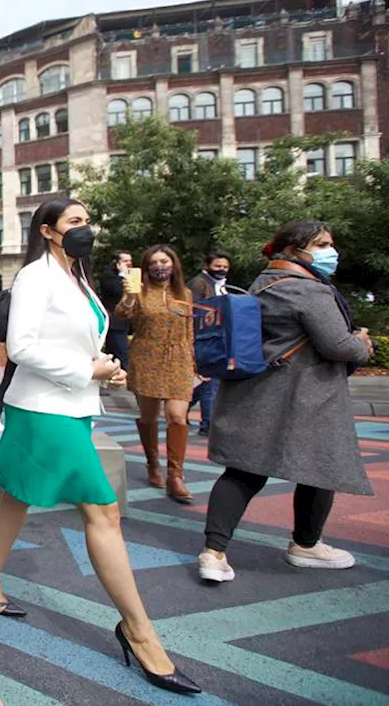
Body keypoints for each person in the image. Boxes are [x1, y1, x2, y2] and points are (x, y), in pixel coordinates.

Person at [0, 198, 199, 696]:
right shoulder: (36, 276)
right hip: (43, 408)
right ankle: (139, 633)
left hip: (71, 406)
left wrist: (102, 364)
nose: (86, 229)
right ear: (49, 231)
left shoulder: (78, 279)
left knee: (19, 491)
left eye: (88, 221)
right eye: (75, 222)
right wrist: (86, 370)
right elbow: (23, 347)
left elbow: (78, 339)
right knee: (104, 510)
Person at [199, 222, 375, 583]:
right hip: (305, 398)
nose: (330, 251)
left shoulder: (262, 284)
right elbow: (337, 346)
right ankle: (306, 545)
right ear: (294, 251)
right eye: (322, 244)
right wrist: (363, 345)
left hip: (254, 393)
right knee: (321, 467)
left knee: (243, 471)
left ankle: (213, 553)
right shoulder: (310, 292)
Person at [115, 245, 197, 503]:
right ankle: (153, 463)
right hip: (147, 356)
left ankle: (176, 477)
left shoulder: (184, 293)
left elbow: (189, 330)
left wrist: (194, 363)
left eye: (165, 261)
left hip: (179, 358)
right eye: (154, 262)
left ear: (174, 264)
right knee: (149, 418)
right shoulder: (139, 291)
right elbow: (121, 314)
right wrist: (129, 295)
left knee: (177, 417)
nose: (160, 266)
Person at [187, 251, 231, 436]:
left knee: (206, 383)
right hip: (204, 339)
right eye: (217, 266)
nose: (221, 270)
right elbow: (195, 313)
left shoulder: (218, 284)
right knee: (209, 383)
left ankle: (184, 407)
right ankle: (208, 424)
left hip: (214, 339)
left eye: (225, 267)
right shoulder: (199, 284)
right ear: (207, 266)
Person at [98, 251, 132, 369]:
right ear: (116, 263)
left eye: (130, 261)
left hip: (126, 321)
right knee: (120, 353)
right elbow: (116, 291)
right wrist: (122, 275)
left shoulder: (130, 276)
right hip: (115, 321)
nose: (129, 264)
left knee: (116, 352)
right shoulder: (108, 276)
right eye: (125, 261)